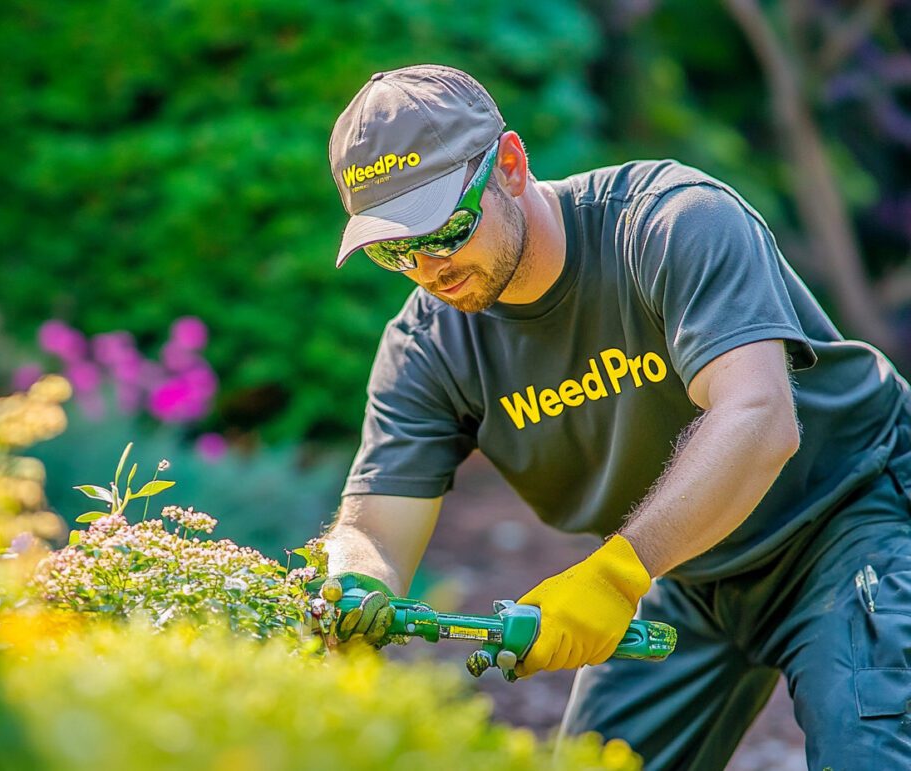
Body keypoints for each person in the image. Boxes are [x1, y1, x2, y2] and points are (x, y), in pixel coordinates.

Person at [320, 63, 911, 770]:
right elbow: (374, 529)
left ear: (509, 165)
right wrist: (355, 581)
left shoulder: (670, 223)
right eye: (394, 249)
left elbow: (759, 418)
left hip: (850, 520)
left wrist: (613, 578)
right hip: (682, 568)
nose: (427, 268)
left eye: (444, 228)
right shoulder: (428, 349)